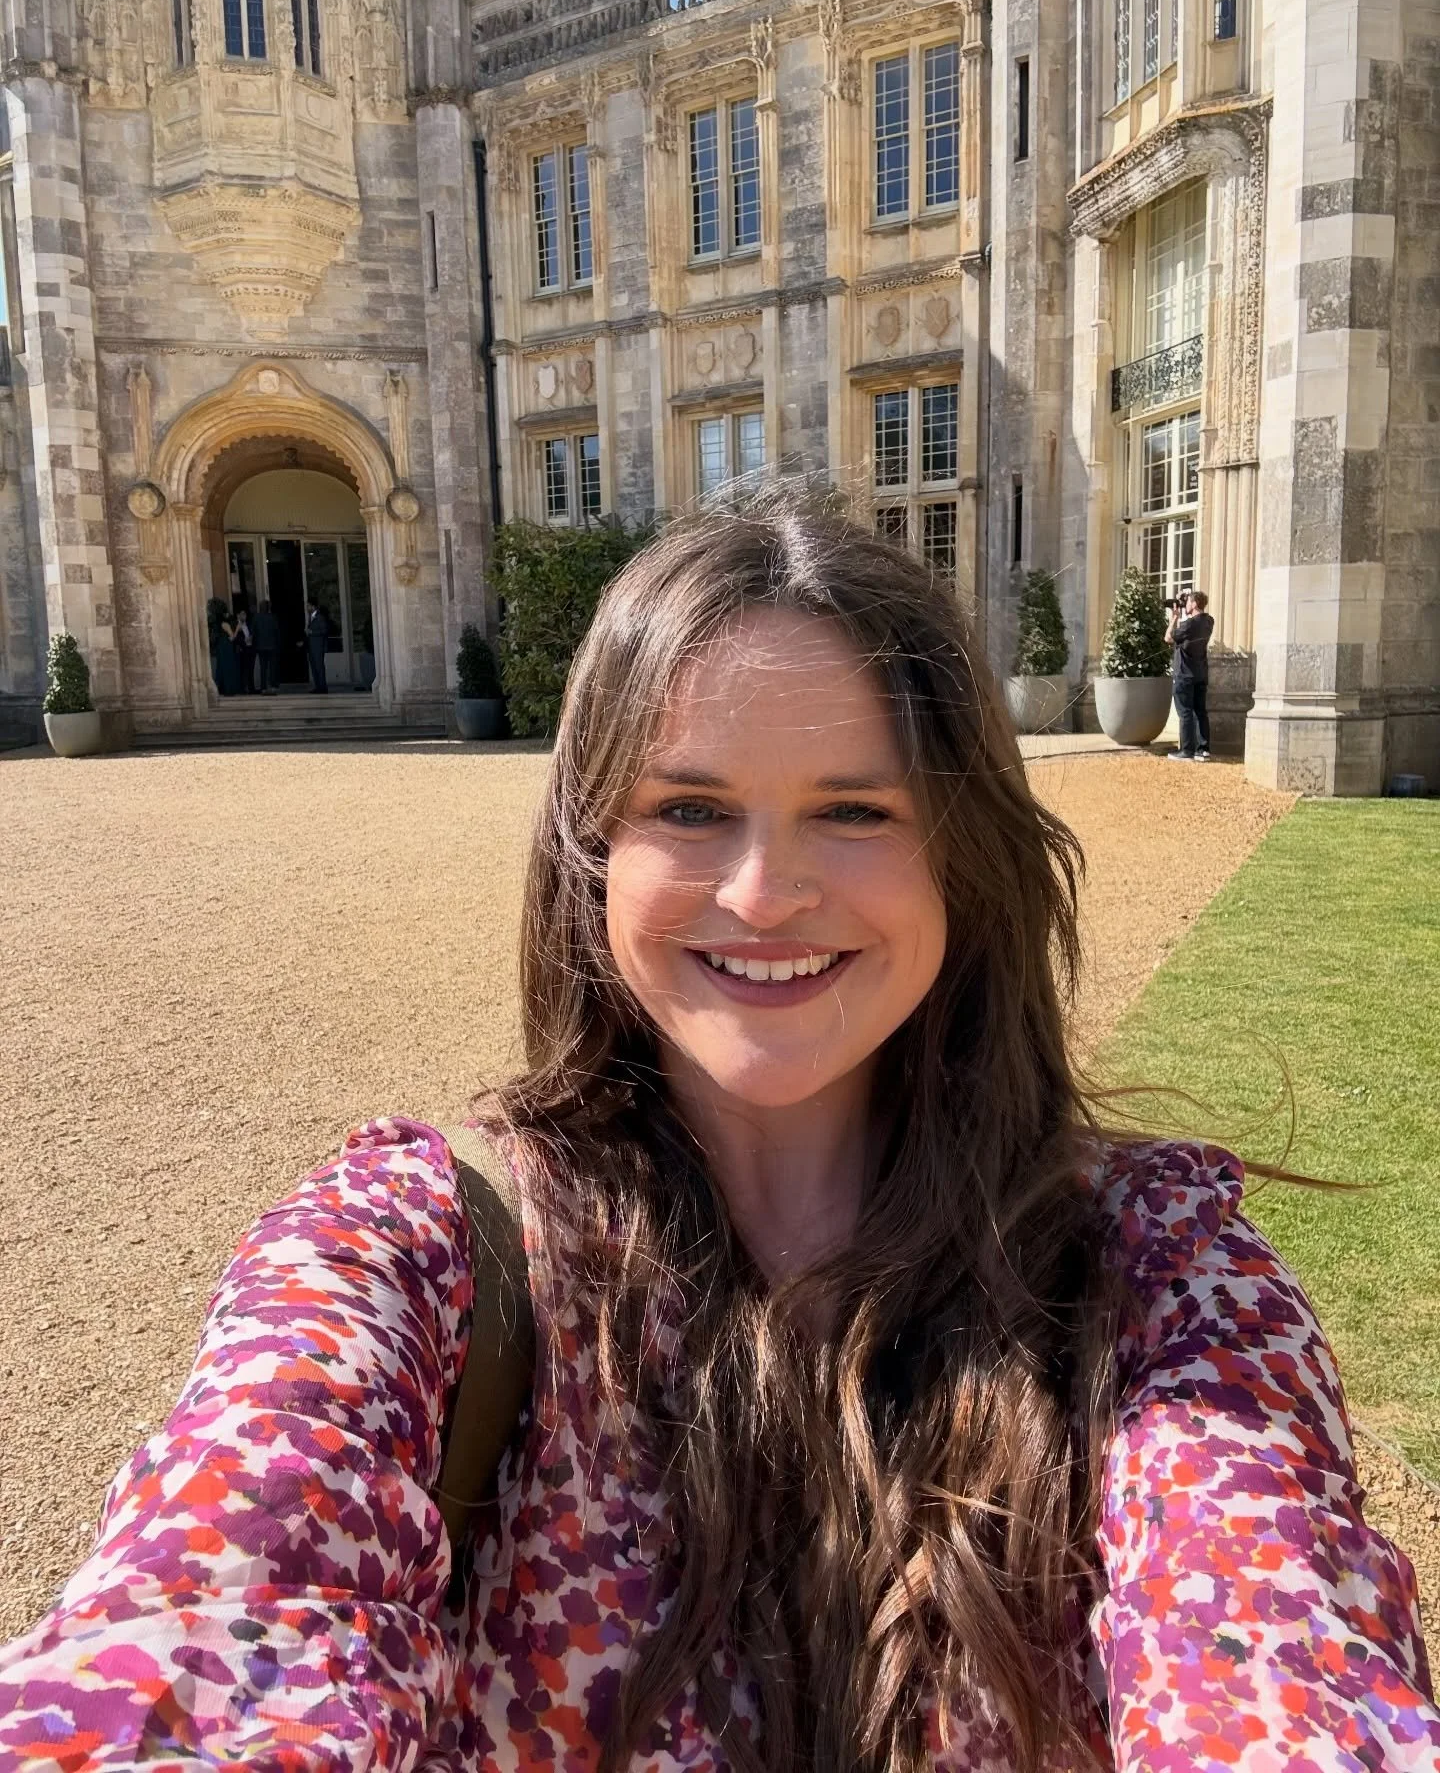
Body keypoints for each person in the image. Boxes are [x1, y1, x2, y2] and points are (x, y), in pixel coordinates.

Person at [1, 500, 1435, 1772]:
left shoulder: (1161, 1278)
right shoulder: (415, 1256)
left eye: (854, 810)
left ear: (964, 855)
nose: (763, 893)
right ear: (592, 854)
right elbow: (210, 1618)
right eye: (688, 808)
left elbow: (1272, 1646)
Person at [1165, 587, 1214, 761]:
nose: (1185, 605)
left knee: (1185, 712)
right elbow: (1194, 622)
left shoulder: (1189, 625)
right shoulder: (1209, 621)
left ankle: (1186, 751)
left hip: (1185, 674)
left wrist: (1174, 617)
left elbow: (1168, 638)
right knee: (1200, 711)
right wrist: (1186, 598)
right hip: (1201, 673)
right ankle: (1203, 750)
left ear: (1193, 604)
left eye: (1188, 602)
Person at [252, 597, 283, 693]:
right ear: (268, 608)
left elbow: (253, 632)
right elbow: (277, 632)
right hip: (272, 646)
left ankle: (263, 688)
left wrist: (255, 644)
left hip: (261, 647)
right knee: (272, 667)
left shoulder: (256, 618)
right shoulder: (273, 617)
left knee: (263, 667)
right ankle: (273, 686)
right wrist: (278, 644)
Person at [302, 599, 330, 693]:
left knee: (319, 667)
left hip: (318, 647)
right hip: (311, 647)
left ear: (313, 606)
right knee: (314, 668)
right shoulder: (311, 617)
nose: (307, 608)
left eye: (308, 606)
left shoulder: (320, 617)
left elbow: (324, 631)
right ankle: (318, 687)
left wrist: (312, 632)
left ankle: (323, 687)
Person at [212, 607, 239, 697]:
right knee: (228, 668)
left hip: (221, 647)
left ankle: (220, 689)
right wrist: (237, 629)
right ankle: (229, 690)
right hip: (227, 647)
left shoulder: (218, 625)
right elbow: (232, 637)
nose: (228, 614)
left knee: (221, 668)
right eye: (227, 613)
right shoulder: (225, 624)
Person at [232, 606, 256, 694]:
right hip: (242, 651)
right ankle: (242, 689)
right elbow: (234, 638)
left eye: (245, 614)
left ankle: (251, 688)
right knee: (243, 671)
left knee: (251, 670)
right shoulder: (235, 625)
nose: (244, 616)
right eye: (242, 614)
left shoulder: (248, 624)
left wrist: (251, 638)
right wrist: (244, 641)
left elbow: (252, 634)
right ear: (238, 615)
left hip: (250, 650)